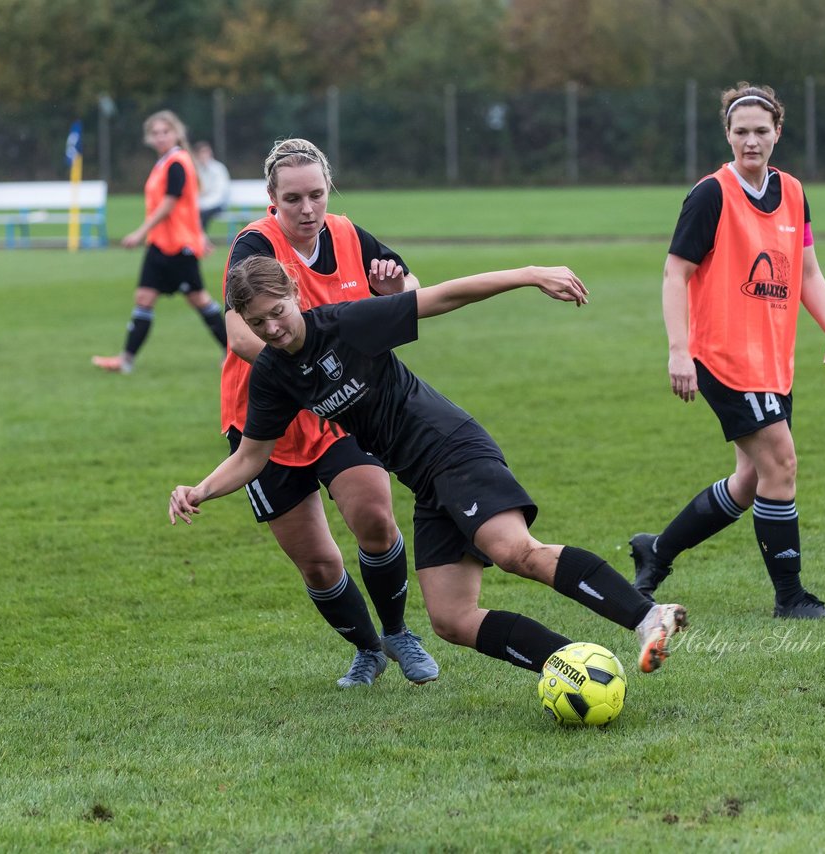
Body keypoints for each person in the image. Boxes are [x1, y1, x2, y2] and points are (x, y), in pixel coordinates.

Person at [170, 256, 690, 685]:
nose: (273, 328)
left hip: (452, 449)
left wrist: (530, 274)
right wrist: (200, 490)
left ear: (295, 293)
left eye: (277, 312)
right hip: (423, 480)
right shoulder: (273, 374)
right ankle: (579, 669)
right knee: (451, 619)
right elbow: (251, 456)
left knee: (514, 550)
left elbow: (440, 297)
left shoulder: (348, 324)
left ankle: (648, 616)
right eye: (257, 322)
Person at [215, 138, 438, 689]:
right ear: (272, 198)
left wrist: (392, 291)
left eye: (317, 194)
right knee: (316, 561)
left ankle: (397, 632)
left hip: (340, 408)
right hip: (266, 420)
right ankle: (367, 651)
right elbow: (238, 331)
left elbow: (410, 290)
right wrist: (301, 371)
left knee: (375, 519)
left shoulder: (346, 233)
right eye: (293, 198)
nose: (308, 209)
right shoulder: (253, 247)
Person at [628, 82, 825, 620]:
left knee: (751, 481)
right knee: (782, 461)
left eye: (760, 131)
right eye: (740, 131)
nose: (750, 141)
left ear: (778, 131)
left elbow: (808, 272)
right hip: (724, 358)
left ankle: (655, 552)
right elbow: (674, 273)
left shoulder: (794, 192)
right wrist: (678, 352)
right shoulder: (711, 194)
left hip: (774, 360)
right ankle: (791, 598)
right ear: (727, 135)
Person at [91, 110, 228, 374]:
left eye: (165, 131)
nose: (160, 137)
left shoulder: (177, 161)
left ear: (176, 133)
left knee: (199, 299)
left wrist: (140, 232)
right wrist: (199, 233)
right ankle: (126, 360)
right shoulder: (164, 163)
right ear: (148, 138)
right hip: (161, 244)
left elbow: (171, 203)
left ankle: (234, 350)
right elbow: (189, 206)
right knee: (144, 297)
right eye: (155, 133)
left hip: (177, 246)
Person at [193, 141, 231, 236]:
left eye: (206, 152)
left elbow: (220, 193)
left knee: (203, 214)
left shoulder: (218, 169)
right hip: (201, 204)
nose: (204, 156)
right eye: (201, 153)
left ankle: (200, 237)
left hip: (217, 204)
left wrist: (203, 204)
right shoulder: (196, 169)